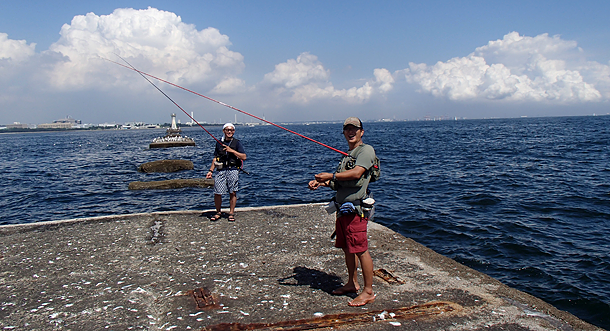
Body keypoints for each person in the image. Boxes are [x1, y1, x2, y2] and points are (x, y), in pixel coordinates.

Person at [308, 117, 377, 307]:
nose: (351, 132)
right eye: (347, 129)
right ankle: (352, 283)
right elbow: (341, 183)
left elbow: (356, 174)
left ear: (362, 132)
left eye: (355, 129)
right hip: (343, 211)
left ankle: (368, 291)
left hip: (356, 211)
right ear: (344, 132)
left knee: (361, 250)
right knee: (348, 249)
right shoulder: (348, 154)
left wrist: (329, 175)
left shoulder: (366, 151)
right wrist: (322, 183)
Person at [206, 123, 247, 222]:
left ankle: (231, 213)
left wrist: (231, 150)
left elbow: (244, 157)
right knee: (217, 192)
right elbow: (215, 158)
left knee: (232, 192)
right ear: (224, 131)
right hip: (221, 170)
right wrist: (210, 171)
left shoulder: (237, 143)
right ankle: (218, 212)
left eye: (232, 130)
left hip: (233, 169)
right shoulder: (219, 143)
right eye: (227, 130)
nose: (229, 132)